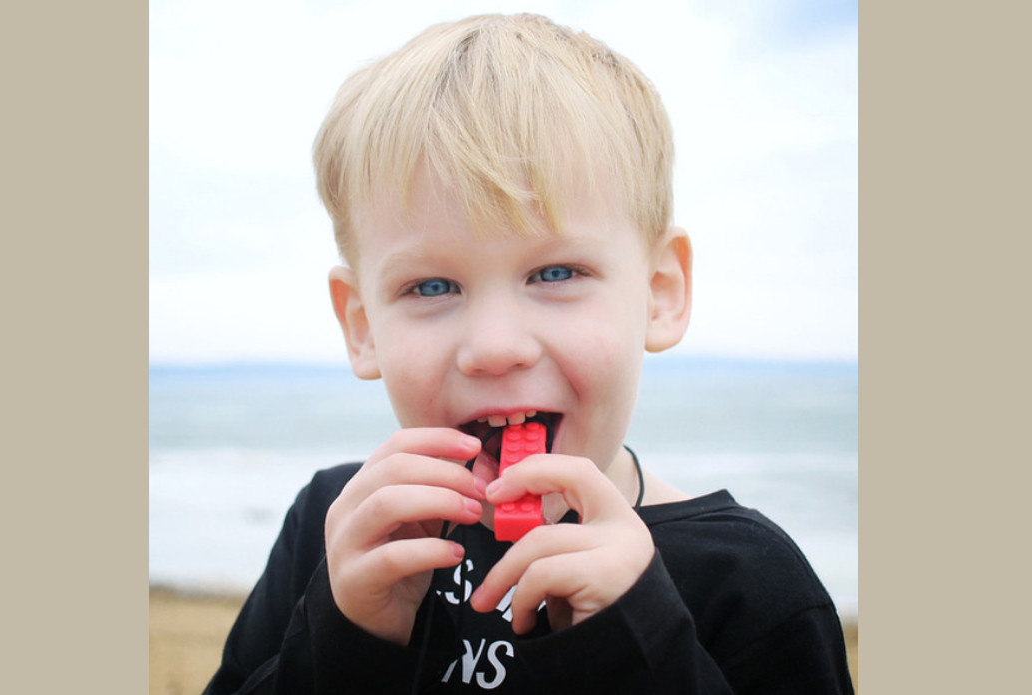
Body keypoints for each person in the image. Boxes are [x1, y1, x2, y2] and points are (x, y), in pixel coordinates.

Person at [205, 13, 853, 694]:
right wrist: (345, 641)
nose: (494, 347)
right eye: (431, 285)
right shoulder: (335, 526)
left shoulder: (749, 581)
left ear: (660, 292)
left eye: (554, 273)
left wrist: (640, 642)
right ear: (361, 325)